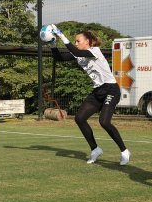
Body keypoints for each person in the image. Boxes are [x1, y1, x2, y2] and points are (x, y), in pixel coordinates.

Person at [48, 26, 130, 166]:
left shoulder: (94, 51)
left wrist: (61, 34)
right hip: (97, 91)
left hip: (111, 89)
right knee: (79, 118)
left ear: (87, 41)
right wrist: (52, 42)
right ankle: (95, 149)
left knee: (104, 121)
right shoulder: (78, 54)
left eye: (78, 41)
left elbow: (73, 50)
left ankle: (124, 151)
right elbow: (59, 58)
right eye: (75, 41)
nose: (76, 43)